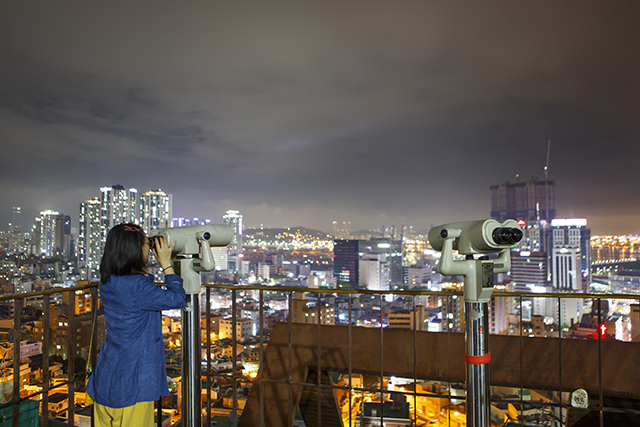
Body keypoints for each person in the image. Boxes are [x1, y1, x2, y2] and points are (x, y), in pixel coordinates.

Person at [86, 223, 186, 427]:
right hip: (133, 384)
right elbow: (178, 299)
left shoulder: (107, 281)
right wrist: (167, 265)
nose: (149, 249)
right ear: (136, 250)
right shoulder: (139, 287)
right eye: (147, 245)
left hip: (105, 380)